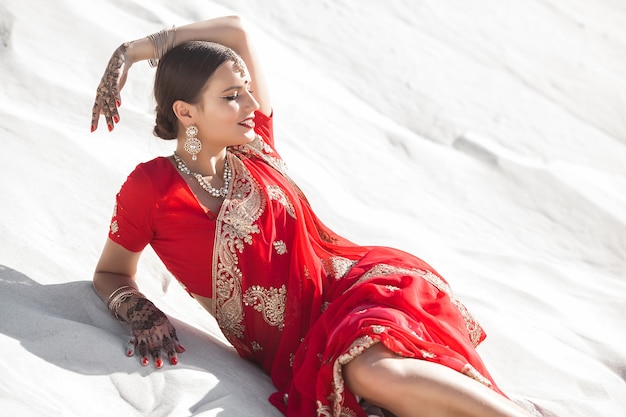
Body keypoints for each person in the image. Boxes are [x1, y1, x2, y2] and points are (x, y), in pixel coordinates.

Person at [90, 15, 534, 417]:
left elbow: (236, 31)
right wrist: (139, 311)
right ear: (186, 112)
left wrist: (133, 51)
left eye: (246, 90)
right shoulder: (151, 189)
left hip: (359, 293)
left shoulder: (255, 147)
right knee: (376, 380)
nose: (249, 104)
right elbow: (111, 272)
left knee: (373, 375)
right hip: (297, 350)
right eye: (230, 96)